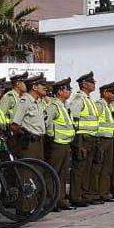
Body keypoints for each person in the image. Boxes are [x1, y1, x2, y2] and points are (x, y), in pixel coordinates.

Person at [68, 72, 99, 206]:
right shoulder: (79, 99)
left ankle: (85, 195)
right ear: (84, 84)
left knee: (87, 169)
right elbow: (73, 118)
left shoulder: (88, 99)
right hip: (82, 138)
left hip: (90, 137)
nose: (94, 84)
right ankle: (76, 197)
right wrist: (76, 138)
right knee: (79, 169)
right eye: (91, 82)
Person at [44, 78, 75, 210]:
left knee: (62, 174)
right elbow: (46, 123)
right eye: (67, 89)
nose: (69, 91)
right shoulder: (54, 106)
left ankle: (60, 199)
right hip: (57, 144)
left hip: (65, 143)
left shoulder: (64, 106)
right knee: (53, 173)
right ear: (60, 91)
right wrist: (52, 136)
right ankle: (51, 201)